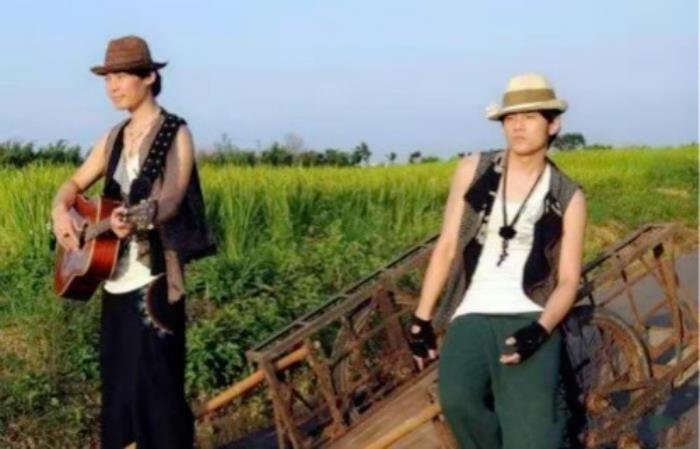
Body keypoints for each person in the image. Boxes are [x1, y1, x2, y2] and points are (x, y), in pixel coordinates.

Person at [51, 35, 216, 449]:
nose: (112, 86)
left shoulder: (174, 133)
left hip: (154, 281)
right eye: (108, 78)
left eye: (121, 76)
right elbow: (72, 184)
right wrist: (59, 211)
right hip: (113, 282)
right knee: (119, 393)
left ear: (149, 77)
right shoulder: (113, 137)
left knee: (159, 393)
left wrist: (140, 218)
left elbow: (172, 199)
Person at [407, 73, 587, 449]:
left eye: (530, 117)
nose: (517, 126)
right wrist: (421, 320)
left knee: (535, 436)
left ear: (553, 124)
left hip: (530, 313)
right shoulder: (474, 169)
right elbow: (447, 246)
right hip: (471, 312)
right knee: (457, 400)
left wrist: (541, 329)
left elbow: (569, 280)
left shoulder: (568, 195)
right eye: (510, 118)